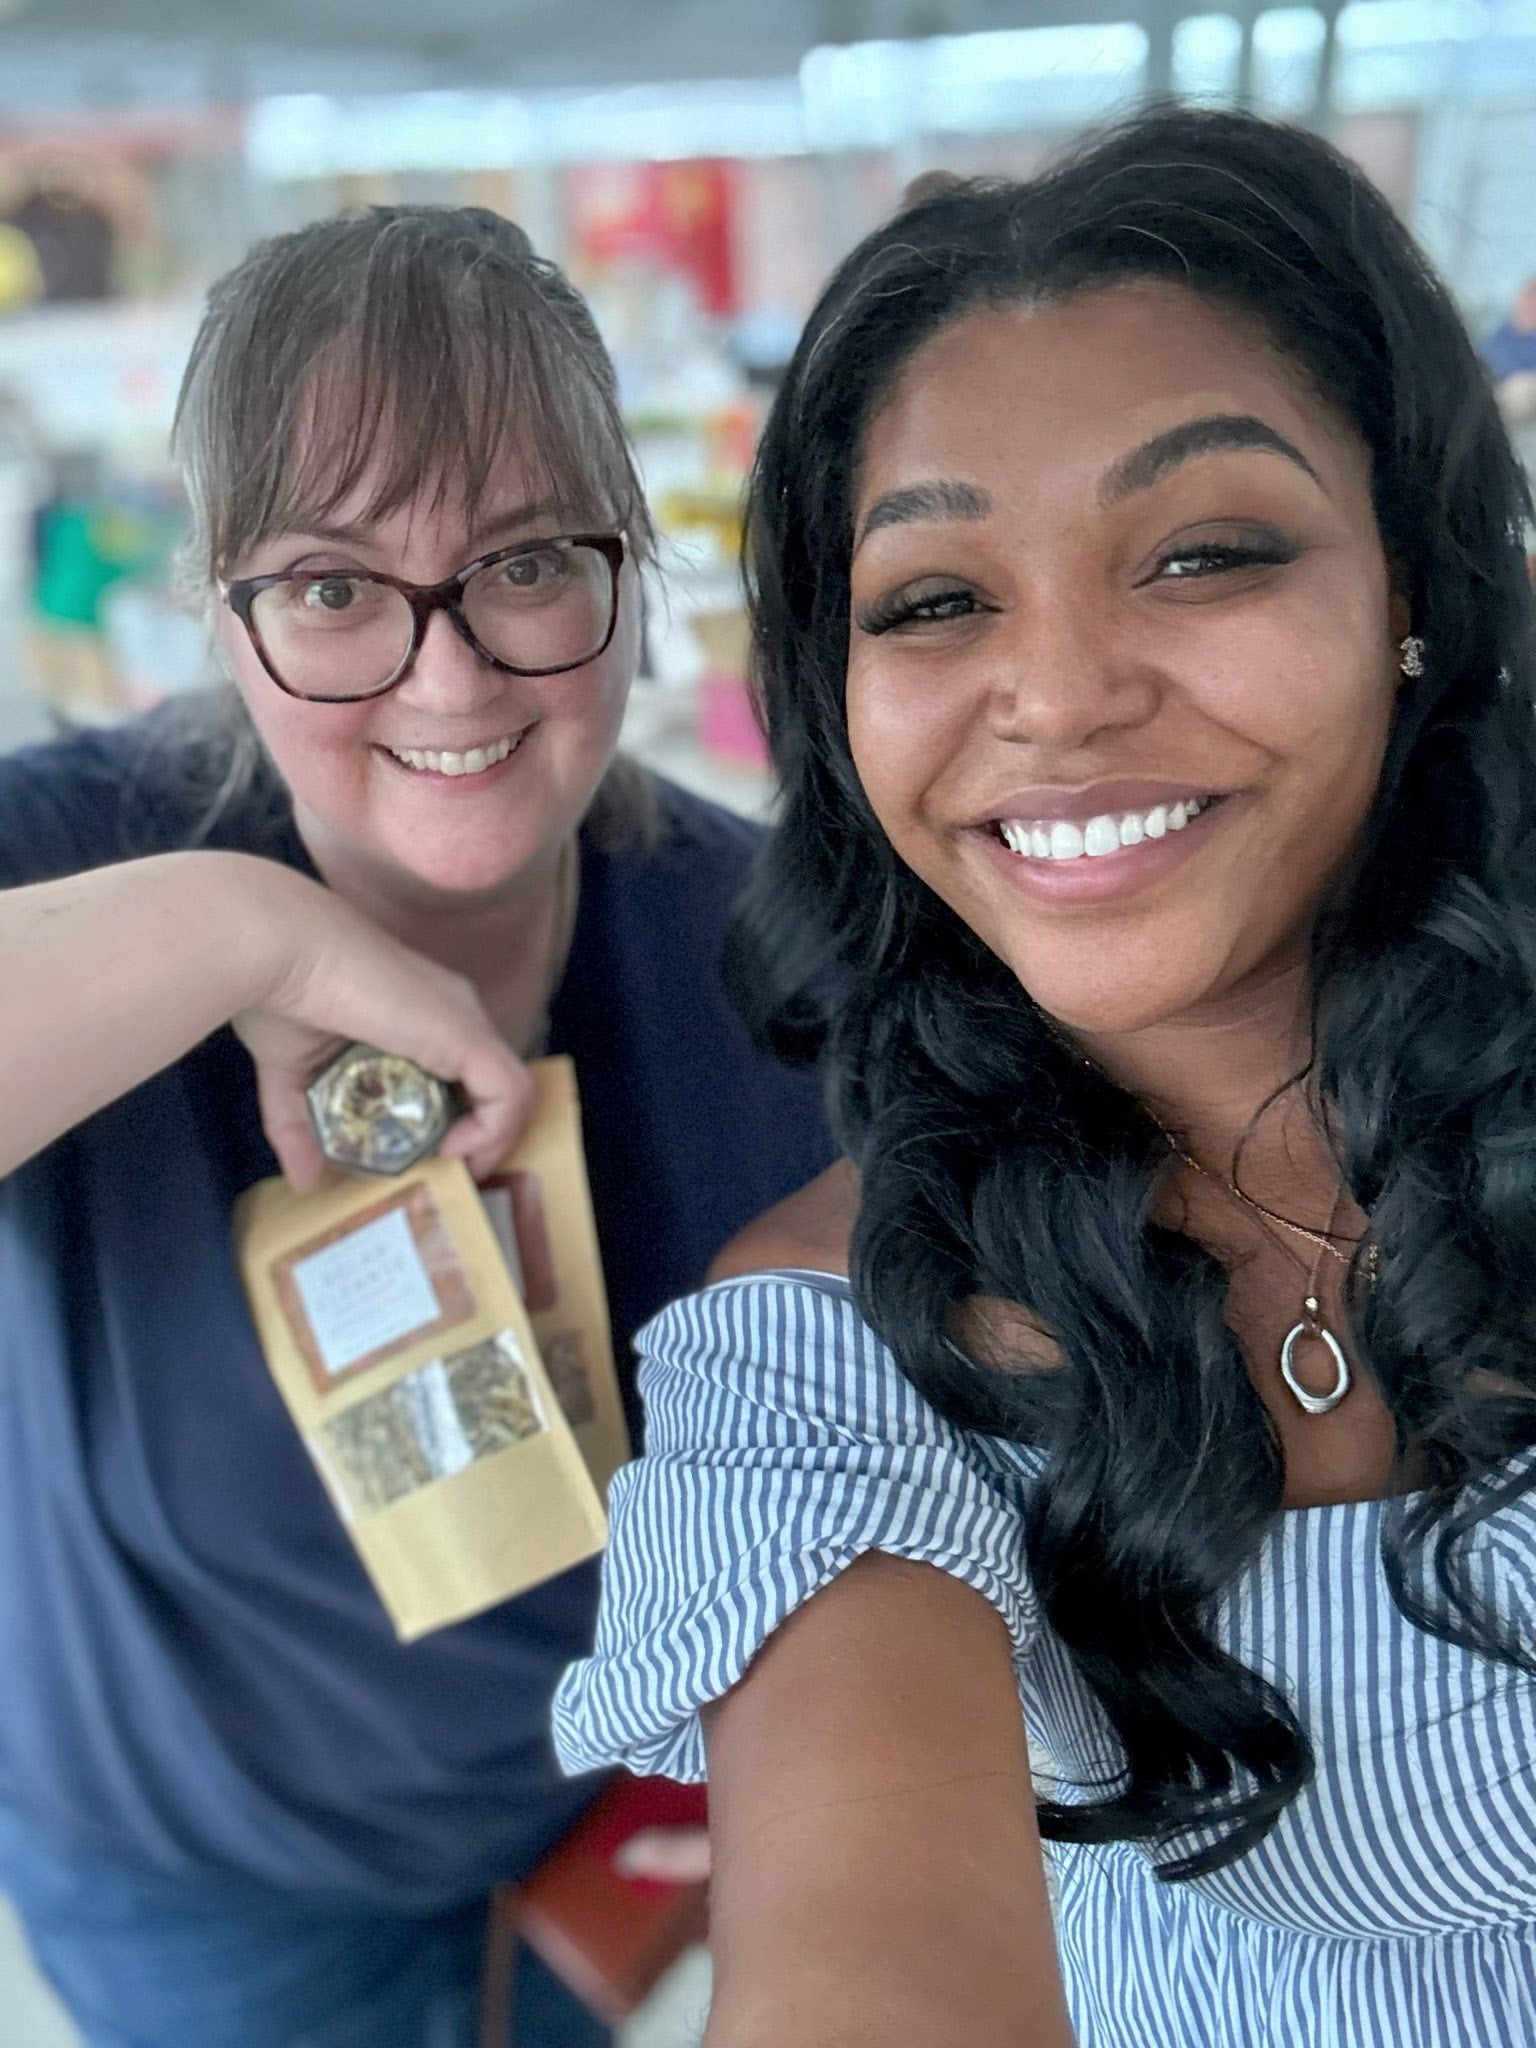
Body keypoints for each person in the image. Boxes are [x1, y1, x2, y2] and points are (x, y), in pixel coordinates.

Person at [555, 106, 1536, 2046]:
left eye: (1203, 551)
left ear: (1412, 589)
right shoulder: (828, 1365)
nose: (1064, 692)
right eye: (934, 599)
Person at [0, 206, 829, 2048]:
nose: (447, 682)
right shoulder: (69, 867)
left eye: (528, 561)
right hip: (209, 1904)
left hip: (602, 1838)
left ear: (633, 562)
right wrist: (239, 928)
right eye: (331, 588)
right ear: (220, 605)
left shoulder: (767, 952)